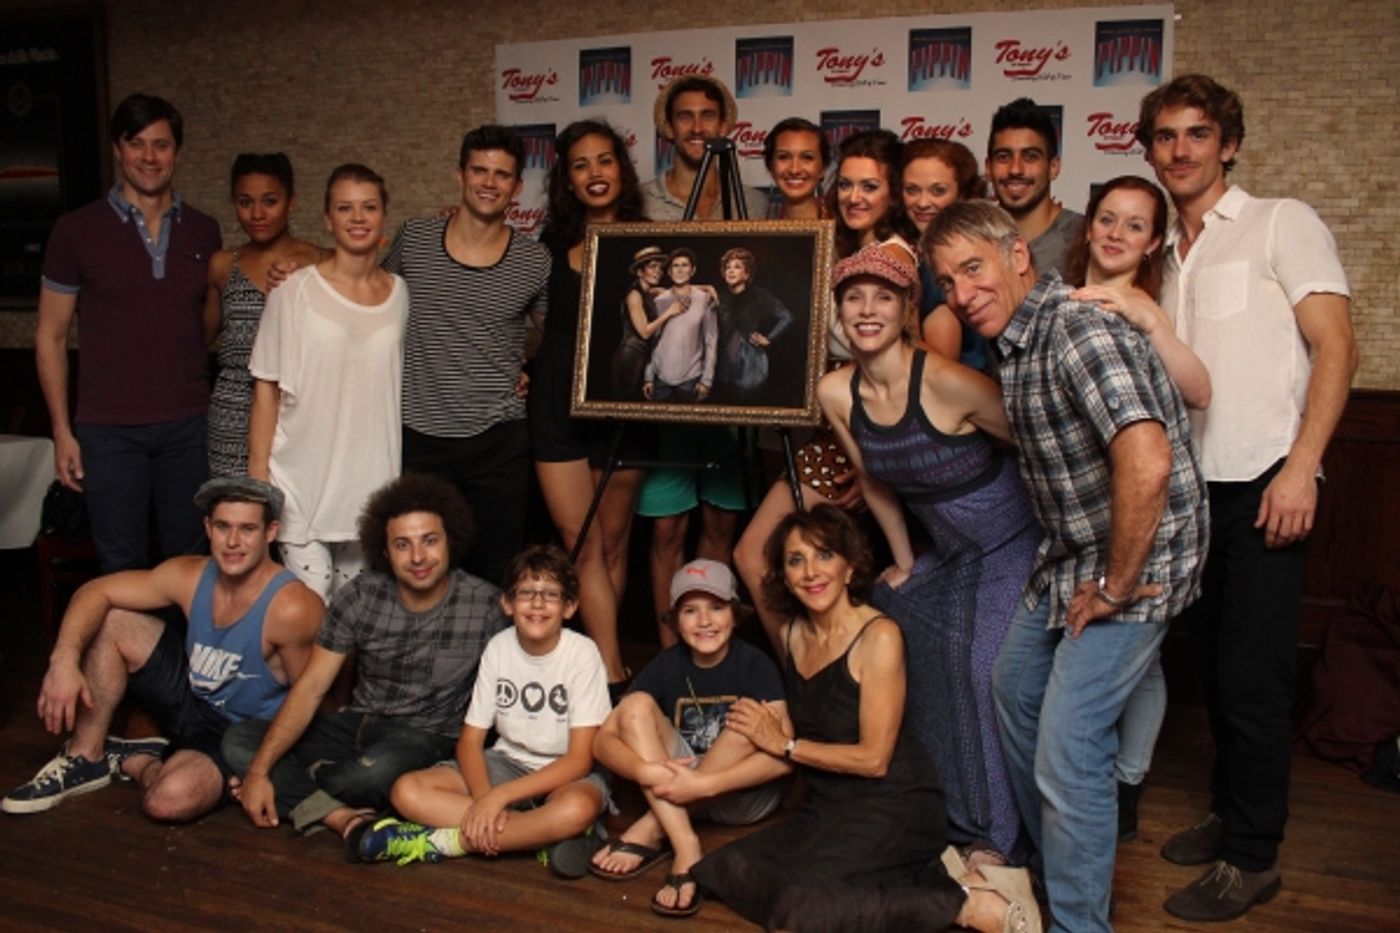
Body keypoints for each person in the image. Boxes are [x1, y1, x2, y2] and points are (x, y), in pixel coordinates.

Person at [927, 200, 1207, 933]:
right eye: (947, 281)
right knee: (1013, 687)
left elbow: (1146, 462)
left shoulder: (1076, 328)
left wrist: (1116, 585)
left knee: (1069, 742)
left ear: (1019, 255)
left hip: (1140, 559)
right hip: (1072, 555)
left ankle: (1080, 923)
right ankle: (1060, 871)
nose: (961, 293)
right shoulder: (1017, 344)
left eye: (973, 268)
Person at [1137, 75, 1357, 923]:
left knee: (1254, 679)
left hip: (1268, 478)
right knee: (1216, 672)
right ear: (1151, 148)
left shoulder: (1280, 222)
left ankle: (1254, 856)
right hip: (1191, 493)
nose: (1181, 150)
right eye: (1165, 136)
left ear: (1228, 143)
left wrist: (1304, 465)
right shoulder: (1161, 254)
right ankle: (1234, 812)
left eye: (1197, 134)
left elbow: (1335, 343)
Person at [691, 506, 1040, 932]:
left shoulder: (879, 636)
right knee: (731, 865)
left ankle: (965, 904)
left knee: (804, 906)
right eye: (795, 560)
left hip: (895, 802)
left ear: (850, 564)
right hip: (831, 803)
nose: (811, 572)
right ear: (783, 576)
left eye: (825, 555)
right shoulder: (791, 633)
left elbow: (874, 759)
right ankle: (931, 875)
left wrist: (784, 746)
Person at [817, 244, 1040, 865]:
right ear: (838, 311)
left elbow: (1042, 445)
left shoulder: (948, 380)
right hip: (949, 554)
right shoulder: (836, 392)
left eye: (883, 298)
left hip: (1011, 543)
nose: (867, 311)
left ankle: (993, 836)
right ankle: (923, 799)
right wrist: (904, 561)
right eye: (853, 298)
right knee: (887, 618)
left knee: (977, 671)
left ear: (907, 308)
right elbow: (876, 481)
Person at [2, 477, 322, 821]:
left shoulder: (292, 607)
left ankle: (139, 761)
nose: (233, 541)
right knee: (114, 617)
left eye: (247, 529)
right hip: (192, 697)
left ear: (270, 532)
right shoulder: (189, 574)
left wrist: (260, 769)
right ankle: (86, 757)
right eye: (223, 526)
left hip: (240, 731)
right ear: (207, 527)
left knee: (167, 800)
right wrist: (63, 661)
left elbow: (312, 700)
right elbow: (96, 591)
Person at [223, 474, 507, 845]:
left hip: (424, 737)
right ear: (386, 552)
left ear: (449, 541)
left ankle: (298, 793)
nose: (418, 557)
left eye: (430, 541)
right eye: (403, 545)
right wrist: (259, 770)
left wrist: (263, 775)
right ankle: (340, 815)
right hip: (354, 725)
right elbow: (310, 688)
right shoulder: (360, 595)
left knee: (368, 777)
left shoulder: (485, 604)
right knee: (239, 740)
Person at [1063, 174, 1213, 841]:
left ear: (1153, 242)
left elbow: (1200, 390)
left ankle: (1126, 780)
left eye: (1135, 225)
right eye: (1107, 218)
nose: (1117, 233)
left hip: (1145, 508)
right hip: (1080, 512)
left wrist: (1148, 316)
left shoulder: (1147, 310)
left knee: (1140, 657)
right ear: (1088, 224)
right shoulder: (1059, 302)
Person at [734, 128, 911, 656]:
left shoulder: (893, 257)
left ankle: (804, 672)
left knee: (755, 554)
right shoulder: (858, 247)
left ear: (893, 194)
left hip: (853, 433)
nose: (854, 197)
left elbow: (894, 370)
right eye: (847, 184)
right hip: (834, 427)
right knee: (829, 565)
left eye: (871, 186)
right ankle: (822, 672)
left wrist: (868, 461)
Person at [35, 93, 222, 573]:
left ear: (177, 151)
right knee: (121, 567)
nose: (149, 157)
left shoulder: (205, 231)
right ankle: (131, 651)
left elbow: (204, 326)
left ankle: (183, 653)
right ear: (118, 148)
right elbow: (51, 336)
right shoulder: (75, 231)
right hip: (108, 431)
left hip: (189, 425)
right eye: (136, 143)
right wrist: (61, 431)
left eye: (161, 145)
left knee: (191, 565)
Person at [351, 545, 612, 879]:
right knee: (407, 791)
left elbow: (579, 759)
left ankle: (445, 841)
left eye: (550, 594)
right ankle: (538, 836)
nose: (536, 603)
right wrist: (484, 799)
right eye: (526, 593)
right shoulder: (499, 646)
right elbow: (470, 741)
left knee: (576, 810)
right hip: (506, 763)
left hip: (564, 773)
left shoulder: (582, 653)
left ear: (569, 607)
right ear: (507, 603)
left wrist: (498, 800)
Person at [387, 125, 550, 588]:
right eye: (479, 170)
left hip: (497, 442)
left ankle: (488, 664)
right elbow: (366, 294)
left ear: (517, 187)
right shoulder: (415, 238)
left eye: (502, 175)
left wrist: (529, 372)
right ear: (460, 174)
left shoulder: (534, 261)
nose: (489, 182)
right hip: (418, 436)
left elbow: (557, 338)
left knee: (494, 570)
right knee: (419, 572)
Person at [590, 559, 788, 917]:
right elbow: (603, 742)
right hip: (678, 784)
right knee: (634, 705)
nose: (705, 621)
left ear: (735, 613)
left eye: (716, 607)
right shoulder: (669, 663)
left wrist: (704, 784)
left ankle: (652, 827)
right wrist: (643, 772)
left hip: (739, 793)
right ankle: (686, 845)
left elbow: (783, 756)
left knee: (750, 719)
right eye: (690, 610)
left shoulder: (755, 664)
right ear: (675, 621)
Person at [248, 163, 407, 603]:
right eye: (345, 208)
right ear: (327, 219)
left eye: (368, 207)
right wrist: (258, 480)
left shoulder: (401, 294)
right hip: (301, 481)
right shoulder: (292, 290)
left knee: (356, 608)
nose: (357, 218)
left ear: (383, 216)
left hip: (370, 484)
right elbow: (265, 386)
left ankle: (343, 679)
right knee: (311, 602)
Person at [532, 120, 654, 689]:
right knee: (578, 540)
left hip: (623, 403)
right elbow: (508, 316)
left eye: (605, 160)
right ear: (567, 179)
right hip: (556, 404)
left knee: (611, 543)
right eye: (580, 164)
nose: (595, 173)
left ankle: (595, 664)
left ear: (621, 171)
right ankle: (605, 672)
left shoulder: (650, 243)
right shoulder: (546, 248)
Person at [205, 153, 325, 478]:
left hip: (298, 411)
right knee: (235, 517)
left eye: (269, 201)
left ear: (291, 202)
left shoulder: (321, 261)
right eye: (245, 202)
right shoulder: (222, 264)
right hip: (233, 414)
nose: (257, 213)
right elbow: (200, 338)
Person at [901, 138, 988, 368]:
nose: (922, 202)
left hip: (958, 399)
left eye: (938, 191)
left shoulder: (945, 265)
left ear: (962, 195)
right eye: (912, 190)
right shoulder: (923, 254)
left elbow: (940, 367)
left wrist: (892, 330)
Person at [641, 74, 768, 221]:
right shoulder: (640, 201)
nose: (697, 128)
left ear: (723, 127)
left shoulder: (754, 202)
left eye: (708, 116)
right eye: (685, 117)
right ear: (669, 128)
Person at [985, 98, 1083, 277]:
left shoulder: (1084, 238)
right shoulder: (973, 238)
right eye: (1003, 157)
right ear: (988, 168)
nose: (1015, 169)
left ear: (1053, 167)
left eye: (1030, 157)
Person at [713, 247, 793, 403]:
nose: (731, 271)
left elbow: (786, 317)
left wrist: (769, 338)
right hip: (723, 364)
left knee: (748, 404)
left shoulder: (759, 295)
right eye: (727, 267)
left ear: (747, 273)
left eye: (737, 267)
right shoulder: (718, 296)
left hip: (751, 364)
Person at [643, 248, 719, 403]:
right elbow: (654, 342)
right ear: (669, 272)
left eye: (684, 265)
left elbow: (711, 341)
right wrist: (649, 377)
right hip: (661, 379)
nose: (680, 270)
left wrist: (707, 380)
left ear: (693, 270)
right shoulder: (660, 301)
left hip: (690, 379)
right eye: (675, 266)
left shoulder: (705, 299)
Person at [611, 244, 681, 398]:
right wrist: (668, 313)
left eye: (659, 267)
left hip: (641, 355)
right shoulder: (634, 295)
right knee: (626, 404)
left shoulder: (649, 292)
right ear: (640, 272)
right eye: (652, 267)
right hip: (630, 355)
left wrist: (708, 288)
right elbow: (645, 332)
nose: (658, 271)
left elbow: (680, 288)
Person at [761, 116, 831, 220]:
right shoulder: (759, 229)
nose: (794, 169)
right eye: (784, 157)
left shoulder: (842, 227)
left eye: (807, 157)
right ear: (770, 166)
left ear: (823, 168)